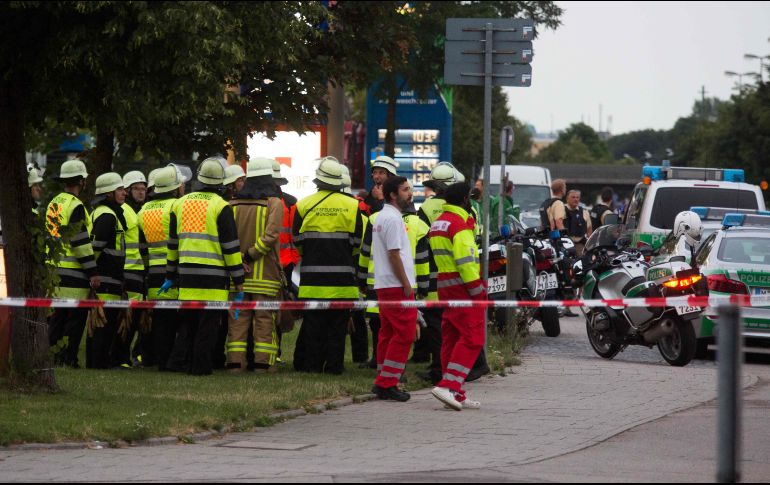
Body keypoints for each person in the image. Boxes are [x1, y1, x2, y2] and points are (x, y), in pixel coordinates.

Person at [162, 158, 245, 376]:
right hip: (213, 279)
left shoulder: (179, 204)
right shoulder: (221, 206)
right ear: (221, 182)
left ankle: (180, 363)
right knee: (208, 327)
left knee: (187, 324)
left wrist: (170, 274)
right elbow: (230, 247)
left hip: (186, 276)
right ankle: (200, 367)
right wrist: (238, 280)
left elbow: (173, 244)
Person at [293, 157, 363, 375]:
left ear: (318, 179)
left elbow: (297, 241)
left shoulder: (304, 204)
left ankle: (312, 366)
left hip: (312, 280)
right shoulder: (352, 205)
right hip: (342, 281)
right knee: (337, 327)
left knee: (314, 326)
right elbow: (357, 243)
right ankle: (334, 367)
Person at [429, 182, 485, 411]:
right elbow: (466, 262)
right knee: (473, 338)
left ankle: (455, 393)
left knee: (451, 339)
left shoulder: (439, 222)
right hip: (463, 286)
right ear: (464, 200)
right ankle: (448, 386)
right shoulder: (459, 225)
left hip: (445, 285)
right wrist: (478, 291)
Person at [226, 158, 283, 373]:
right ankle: (262, 364)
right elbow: (271, 237)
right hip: (265, 277)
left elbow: (227, 239)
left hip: (238, 276)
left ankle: (235, 364)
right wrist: (250, 255)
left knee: (237, 321)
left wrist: (239, 259)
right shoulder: (274, 203)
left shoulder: (231, 205)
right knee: (264, 321)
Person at [45, 159, 99, 368]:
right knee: (75, 320)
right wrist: (92, 272)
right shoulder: (76, 206)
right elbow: (80, 243)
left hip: (54, 270)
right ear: (81, 181)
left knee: (56, 318)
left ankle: (53, 357)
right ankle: (69, 359)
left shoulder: (54, 203)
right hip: (74, 273)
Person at [137, 164, 190, 371]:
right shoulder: (177, 206)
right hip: (174, 271)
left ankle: (160, 360)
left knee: (160, 320)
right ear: (175, 187)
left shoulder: (143, 210)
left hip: (153, 272)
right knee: (181, 319)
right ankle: (175, 361)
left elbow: (142, 247)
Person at [370, 176, 418, 402]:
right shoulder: (393, 219)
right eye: (405, 190)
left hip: (385, 284)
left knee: (388, 333)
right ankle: (387, 382)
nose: (410, 193)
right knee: (405, 334)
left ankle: (383, 378)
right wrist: (406, 284)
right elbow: (394, 254)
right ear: (393, 194)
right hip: (396, 285)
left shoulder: (383, 216)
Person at [86, 172, 127, 369]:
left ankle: (98, 361)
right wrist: (93, 272)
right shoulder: (108, 216)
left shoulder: (102, 212)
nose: (124, 193)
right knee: (104, 323)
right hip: (106, 278)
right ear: (108, 193)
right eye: (120, 189)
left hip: (109, 277)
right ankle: (98, 362)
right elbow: (96, 247)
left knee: (101, 322)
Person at [114, 170, 150, 368]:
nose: (141, 192)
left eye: (143, 188)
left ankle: (125, 356)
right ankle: (121, 357)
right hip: (129, 271)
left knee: (134, 319)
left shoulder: (138, 210)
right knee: (127, 319)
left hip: (137, 271)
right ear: (128, 190)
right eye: (136, 188)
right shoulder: (127, 211)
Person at [564, 189, 592, 257]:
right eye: (573, 197)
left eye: (577, 197)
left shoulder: (584, 212)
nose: (576, 199)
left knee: (583, 259)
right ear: (567, 199)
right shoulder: (561, 209)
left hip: (579, 244)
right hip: (565, 244)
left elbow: (589, 229)